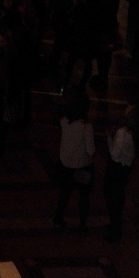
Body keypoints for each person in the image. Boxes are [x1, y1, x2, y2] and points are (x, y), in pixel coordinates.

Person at [53, 89, 95, 231]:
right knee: (84, 195)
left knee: (64, 193)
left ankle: (58, 218)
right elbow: (91, 150)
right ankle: (82, 224)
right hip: (82, 166)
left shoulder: (64, 121)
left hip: (66, 165)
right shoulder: (86, 127)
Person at [104, 107, 139, 242]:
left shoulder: (123, 133)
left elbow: (114, 154)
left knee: (111, 197)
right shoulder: (138, 133)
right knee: (119, 197)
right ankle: (116, 225)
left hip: (116, 168)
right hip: (126, 169)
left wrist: (110, 137)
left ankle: (115, 229)